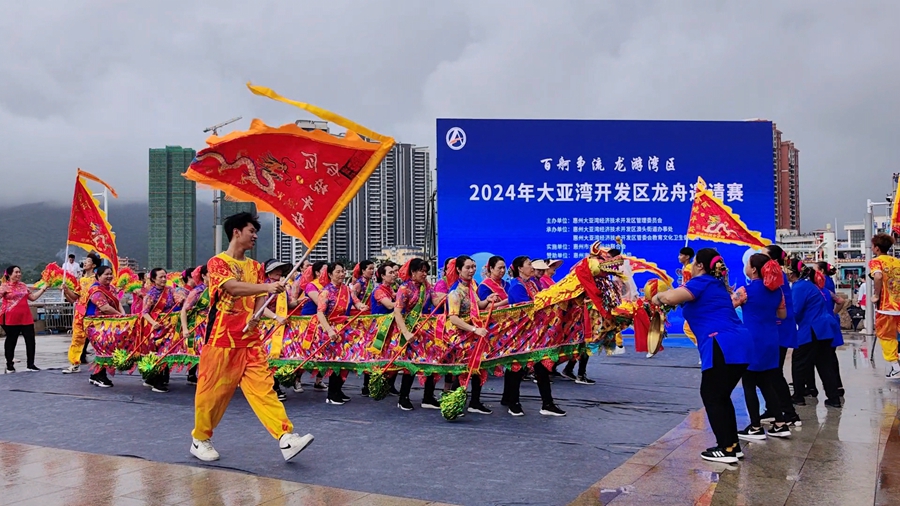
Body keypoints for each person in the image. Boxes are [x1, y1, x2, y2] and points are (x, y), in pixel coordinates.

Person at [191, 212, 313, 463]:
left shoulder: (256, 267)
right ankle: (200, 439)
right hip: (221, 339)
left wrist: (257, 316)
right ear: (237, 232)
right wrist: (267, 287)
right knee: (212, 394)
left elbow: (259, 299)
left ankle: (285, 437)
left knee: (264, 389)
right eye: (251, 231)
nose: (255, 236)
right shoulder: (217, 262)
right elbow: (232, 287)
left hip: (250, 339)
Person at [653, 248, 753, 464]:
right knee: (720, 395)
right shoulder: (716, 285)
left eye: (694, 262)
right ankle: (731, 445)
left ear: (699, 265)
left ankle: (727, 448)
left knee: (712, 395)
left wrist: (657, 296)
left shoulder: (702, 282)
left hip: (722, 343)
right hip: (738, 343)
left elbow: (670, 297)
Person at [731, 254, 792, 440]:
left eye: (747, 264)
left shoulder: (745, 291)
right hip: (771, 340)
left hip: (752, 341)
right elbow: (782, 315)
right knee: (766, 382)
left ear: (754, 270)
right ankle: (780, 423)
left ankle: (755, 427)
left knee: (749, 383)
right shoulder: (777, 291)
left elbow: (728, 306)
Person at [500, 256, 566, 417]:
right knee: (516, 368)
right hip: (520, 335)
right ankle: (513, 403)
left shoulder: (533, 284)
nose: (532, 267)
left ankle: (547, 403)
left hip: (535, 334)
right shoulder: (516, 286)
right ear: (520, 268)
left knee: (540, 368)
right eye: (529, 264)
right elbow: (527, 310)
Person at [447, 255, 500, 415]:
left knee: (479, 366)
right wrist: (474, 329)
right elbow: (453, 318)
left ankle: (475, 402)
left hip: (473, 333)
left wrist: (488, 299)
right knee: (463, 370)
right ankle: (452, 403)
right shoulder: (455, 292)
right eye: (468, 267)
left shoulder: (471, 286)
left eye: (473, 267)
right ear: (458, 269)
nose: (472, 270)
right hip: (460, 335)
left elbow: (478, 305)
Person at [788, 259, 842, 408]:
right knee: (825, 365)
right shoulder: (810, 285)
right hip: (824, 328)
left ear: (791, 273)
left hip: (812, 329)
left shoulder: (799, 286)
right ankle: (834, 398)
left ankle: (798, 396)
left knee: (798, 362)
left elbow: (796, 311)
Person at [394, 258, 444, 410]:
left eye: (426, 271)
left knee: (432, 362)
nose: (424, 274)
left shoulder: (426, 286)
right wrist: (406, 332)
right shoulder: (405, 288)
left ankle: (428, 397)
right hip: (410, 330)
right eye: (421, 271)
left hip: (425, 331)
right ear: (413, 272)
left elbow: (436, 302)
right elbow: (397, 312)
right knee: (410, 365)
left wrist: (452, 296)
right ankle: (403, 397)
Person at [760, 245, 801, 426]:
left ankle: (789, 413)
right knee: (771, 372)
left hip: (779, 329)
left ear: (773, 260)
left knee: (774, 372)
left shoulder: (774, 276)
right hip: (779, 328)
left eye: (763, 256)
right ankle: (774, 409)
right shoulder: (776, 275)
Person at [314, 262, 355, 405]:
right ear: (330, 274)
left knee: (345, 362)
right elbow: (320, 313)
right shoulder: (325, 292)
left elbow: (356, 302)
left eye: (343, 271)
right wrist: (329, 330)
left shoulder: (347, 289)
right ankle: (332, 394)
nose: (342, 274)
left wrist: (361, 306)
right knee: (336, 362)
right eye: (338, 272)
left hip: (344, 330)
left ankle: (338, 390)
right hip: (331, 331)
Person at [1, 266, 49, 373]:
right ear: (9, 274)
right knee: (11, 340)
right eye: (16, 272)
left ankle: (30, 365)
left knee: (30, 340)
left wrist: (43, 289)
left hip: (26, 317)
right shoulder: (4, 286)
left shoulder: (23, 285)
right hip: (11, 317)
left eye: (19, 272)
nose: (19, 274)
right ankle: (9, 365)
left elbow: (32, 298)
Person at [84, 265, 125, 387]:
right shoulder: (95, 290)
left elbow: (117, 303)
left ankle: (95, 375)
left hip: (109, 323)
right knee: (102, 349)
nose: (109, 276)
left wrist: (123, 315)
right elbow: (105, 308)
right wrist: (120, 316)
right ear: (98, 276)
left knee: (107, 349)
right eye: (106, 274)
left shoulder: (111, 288)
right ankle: (100, 377)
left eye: (110, 274)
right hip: (95, 324)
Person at [263, 259, 299, 402]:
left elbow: (287, 304)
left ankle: (275, 386)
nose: (279, 272)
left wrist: (298, 302)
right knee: (268, 357)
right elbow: (260, 307)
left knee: (279, 356)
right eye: (276, 270)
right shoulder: (265, 287)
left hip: (279, 326)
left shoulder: (282, 287)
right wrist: (275, 317)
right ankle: (272, 388)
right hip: (266, 327)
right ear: (269, 273)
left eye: (280, 270)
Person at [361, 262, 397, 397]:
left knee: (390, 355)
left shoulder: (391, 289)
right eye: (390, 273)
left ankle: (387, 385)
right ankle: (368, 386)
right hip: (379, 328)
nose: (394, 275)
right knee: (375, 356)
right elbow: (389, 305)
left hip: (390, 327)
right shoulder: (379, 291)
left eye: (394, 272)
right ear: (382, 276)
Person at [62, 253, 102, 374]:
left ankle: (103, 364)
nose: (85, 262)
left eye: (88, 261)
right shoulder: (82, 279)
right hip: (80, 312)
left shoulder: (97, 279)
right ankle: (75, 363)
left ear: (93, 265)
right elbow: (75, 297)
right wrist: (66, 290)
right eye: (85, 260)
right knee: (76, 338)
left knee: (97, 339)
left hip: (92, 312)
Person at [868, 233, 900, 379]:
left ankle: (895, 367)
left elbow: (878, 276)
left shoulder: (876, 261)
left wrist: (876, 294)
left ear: (877, 248)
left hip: (886, 307)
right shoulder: (897, 261)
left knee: (886, 336)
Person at [142, 267, 178, 393]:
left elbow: (177, 301)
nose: (163, 279)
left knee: (165, 351)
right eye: (160, 277)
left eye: (165, 277)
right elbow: (144, 313)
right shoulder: (151, 294)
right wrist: (154, 323)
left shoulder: (170, 290)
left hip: (168, 327)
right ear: (153, 279)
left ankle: (155, 379)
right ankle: (156, 381)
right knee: (157, 353)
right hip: (155, 327)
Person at [181, 266, 210, 385]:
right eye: (211, 274)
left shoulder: (219, 289)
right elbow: (184, 310)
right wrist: (185, 329)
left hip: (216, 324)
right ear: (203, 276)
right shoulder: (197, 292)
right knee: (201, 351)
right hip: (201, 326)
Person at [677, 247, 699, 350]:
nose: (679, 257)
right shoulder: (688, 268)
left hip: (693, 301)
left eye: (681, 255)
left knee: (688, 328)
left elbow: (687, 286)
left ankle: (703, 347)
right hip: (694, 300)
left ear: (687, 257)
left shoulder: (688, 269)